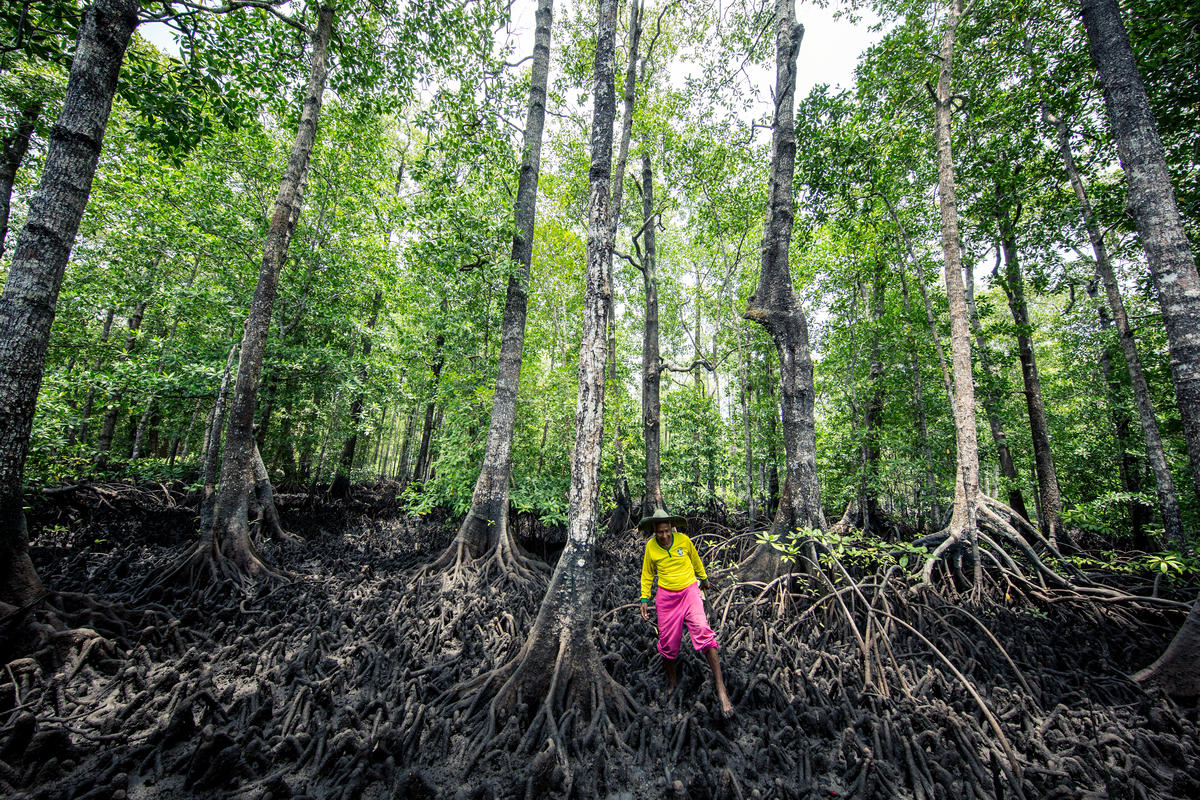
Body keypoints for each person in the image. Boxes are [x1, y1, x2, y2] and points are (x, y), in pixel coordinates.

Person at [638, 507, 734, 717]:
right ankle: (672, 683)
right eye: (659, 532)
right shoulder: (651, 547)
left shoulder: (684, 541)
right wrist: (644, 598)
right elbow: (647, 574)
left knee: (702, 630)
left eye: (666, 531)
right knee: (667, 642)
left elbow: (696, 560)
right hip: (666, 597)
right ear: (654, 530)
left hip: (690, 590)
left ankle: (721, 689)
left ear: (671, 528)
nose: (663, 535)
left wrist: (705, 579)